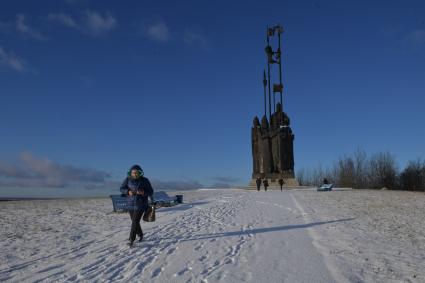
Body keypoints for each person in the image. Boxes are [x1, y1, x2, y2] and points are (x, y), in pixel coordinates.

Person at [120, 164, 154, 247]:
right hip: (130, 204)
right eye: (133, 173)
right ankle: (141, 235)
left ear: (140, 173)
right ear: (130, 173)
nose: (134, 174)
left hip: (141, 204)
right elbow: (122, 188)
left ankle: (131, 239)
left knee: (135, 221)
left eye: (136, 173)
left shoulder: (145, 180)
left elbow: (151, 191)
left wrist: (143, 193)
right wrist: (128, 192)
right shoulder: (127, 179)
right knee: (134, 221)